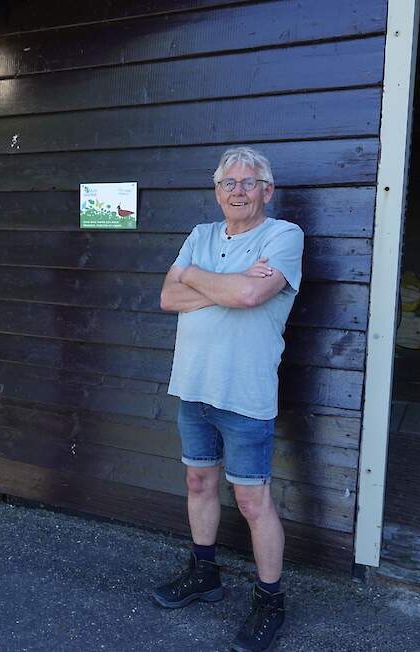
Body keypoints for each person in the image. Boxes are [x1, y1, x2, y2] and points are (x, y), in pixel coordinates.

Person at [153, 146, 304, 652]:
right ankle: (204, 573)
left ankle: (270, 601)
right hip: (193, 386)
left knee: (252, 499)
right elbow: (167, 297)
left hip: (244, 393)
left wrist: (193, 277)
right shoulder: (200, 235)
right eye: (227, 183)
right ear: (216, 191)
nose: (237, 191)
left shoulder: (284, 236)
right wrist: (219, 282)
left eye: (247, 182)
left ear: (267, 190)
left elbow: (249, 297)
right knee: (198, 481)